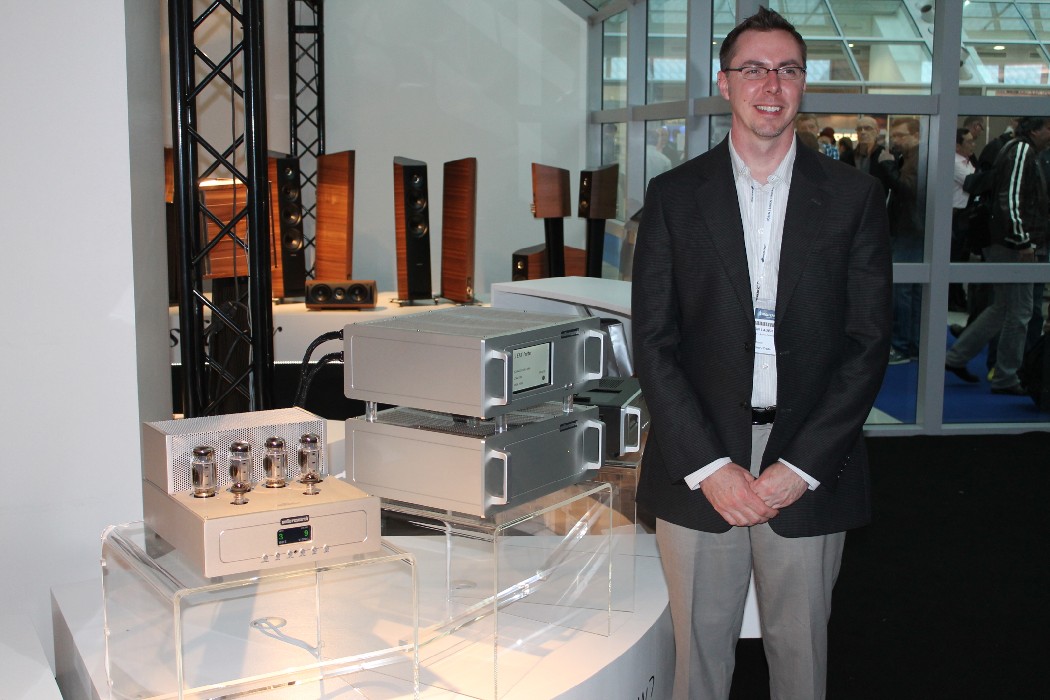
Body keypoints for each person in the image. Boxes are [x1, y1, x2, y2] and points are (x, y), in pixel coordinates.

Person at [631, 8, 893, 700]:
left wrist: (800, 468)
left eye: (787, 69)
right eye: (753, 69)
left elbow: (868, 343)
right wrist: (710, 467)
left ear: (803, 84)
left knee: (802, 660)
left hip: (810, 456)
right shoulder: (673, 196)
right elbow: (653, 341)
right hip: (700, 458)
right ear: (724, 83)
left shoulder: (854, 197)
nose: (770, 85)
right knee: (698, 664)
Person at [945, 116, 1050, 395]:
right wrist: (1022, 240)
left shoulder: (1017, 149)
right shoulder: (1022, 151)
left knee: (1002, 307)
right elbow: (1011, 198)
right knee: (1020, 310)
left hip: (1006, 241)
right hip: (1013, 245)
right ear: (1035, 130)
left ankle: (956, 357)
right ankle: (1006, 375)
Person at [880, 117, 924, 364]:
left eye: (900, 135)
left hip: (910, 229)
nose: (895, 140)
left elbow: (907, 189)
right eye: (894, 136)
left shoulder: (918, 159)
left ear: (916, 135)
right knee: (912, 290)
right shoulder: (911, 157)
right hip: (911, 228)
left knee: (903, 289)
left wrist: (888, 167)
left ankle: (902, 344)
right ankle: (913, 344)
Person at [950, 128, 976, 312]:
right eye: (968, 141)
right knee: (954, 257)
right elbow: (972, 183)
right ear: (957, 145)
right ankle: (952, 298)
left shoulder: (968, 162)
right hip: (955, 215)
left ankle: (959, 297)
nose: (973, 145)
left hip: (965, 215)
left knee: (961, 257)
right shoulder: (954, 162)